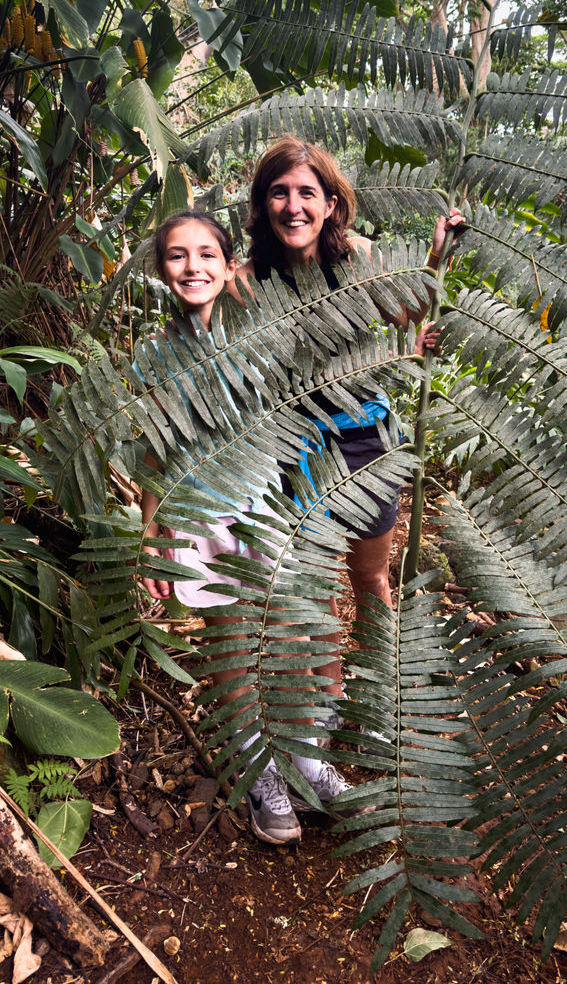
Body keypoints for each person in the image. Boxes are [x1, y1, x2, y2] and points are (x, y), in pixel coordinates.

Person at [233, 137, 465, 736]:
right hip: (299, 449)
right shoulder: (249, 277)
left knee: (369, 577)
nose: (293, 206)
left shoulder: (359, 255)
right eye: (279, 193)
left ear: (331, 203)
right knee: (310, 582)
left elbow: (408, 313)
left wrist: (435, 259)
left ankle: (382, 698)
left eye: (306, 192)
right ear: (263, 205)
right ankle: (332, 699)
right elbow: (205, 326)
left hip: (367, 444)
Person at [138, 209, 353, 845]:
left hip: (265, 506)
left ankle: (305, 755)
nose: (192, 267)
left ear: (228, 264)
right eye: (177, 256)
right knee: (234, 646)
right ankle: (262, 773)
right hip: (201, 518)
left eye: (207, 254)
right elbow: (155, 451)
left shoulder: (259, 331)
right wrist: (152, 536)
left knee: (289, 635)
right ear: (162, 270)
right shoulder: (155, 357)